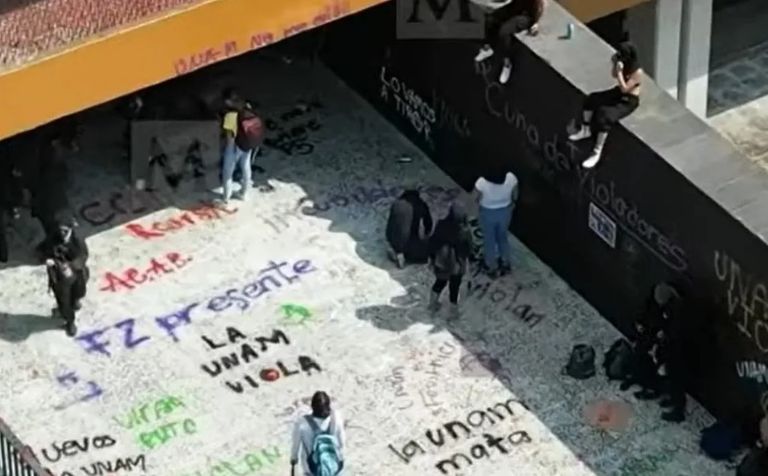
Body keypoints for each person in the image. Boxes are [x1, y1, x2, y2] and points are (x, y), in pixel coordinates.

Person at [568, 41, 642, 168]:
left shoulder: (637, 72)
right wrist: (615, 66)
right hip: (618, 92)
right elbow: (614, 75)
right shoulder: (620, 62)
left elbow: (625, 89)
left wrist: (620, 72)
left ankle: (597, 151)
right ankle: (585, 129)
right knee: (592, 99)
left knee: (605, 115)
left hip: (629, 100)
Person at [474, 0, 546, 84]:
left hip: (526, 16)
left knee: (504, 31)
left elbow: (540, 5)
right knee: (489, 19)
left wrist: (536, 22)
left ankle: (507, 63)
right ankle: (488, 48)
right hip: (514, 7)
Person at [428, 201, 473, 319]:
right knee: (454, 288)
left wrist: (432, 258)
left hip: (442, 262)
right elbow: (468, 249)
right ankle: (453, 312)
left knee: (439, 283)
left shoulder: (441, 224)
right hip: (457, 266)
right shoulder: (464, 231)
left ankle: (432, 305)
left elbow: (433, 243)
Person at [220, 88, 264, 203]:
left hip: (235, 145)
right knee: (246, 166)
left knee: (227, 173)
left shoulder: (230, 116)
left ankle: (226, 199)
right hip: (248, 143)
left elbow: (230, 137)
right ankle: (243, 193)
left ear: (228, 102)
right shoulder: (248, 107)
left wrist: (228, 151)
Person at [474, 167, 518, 278]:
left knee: (489, 239)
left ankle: (491, 266)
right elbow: (515, 193)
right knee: (502, 236)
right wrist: (512, 203)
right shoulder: (510, 177)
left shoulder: (482, 181)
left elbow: (476, 197)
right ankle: (505, 263)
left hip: (488, 212)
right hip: (505, 211)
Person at [45, 227, 88, 338]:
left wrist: (69, 266)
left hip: (77, 276)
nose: (63, 233)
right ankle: (70, 322)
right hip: (60, 280)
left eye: (66, 231)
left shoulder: (77, 239)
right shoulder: (53, 240)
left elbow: (83, 256)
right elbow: (42, 252)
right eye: (61, 230)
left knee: (79, 293)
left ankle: (75, 302)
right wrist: (50, 261)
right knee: (64, 303)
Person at [290, 391, 345, 476]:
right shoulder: (336, 419)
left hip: (311, 470)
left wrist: (293, 460)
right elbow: (341, 443)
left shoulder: (302, 423)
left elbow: (295, 445)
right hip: (333, 467)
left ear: (312, 407)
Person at [385, 189, 433, 268]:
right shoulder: (419, 204)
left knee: (400, 235)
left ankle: (397, 251)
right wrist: (427, 234)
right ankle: (405, 255)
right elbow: (428, 222)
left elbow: (390, 225)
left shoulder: (396, 203)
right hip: (409, 241)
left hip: (392, 239)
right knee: (426, 255)